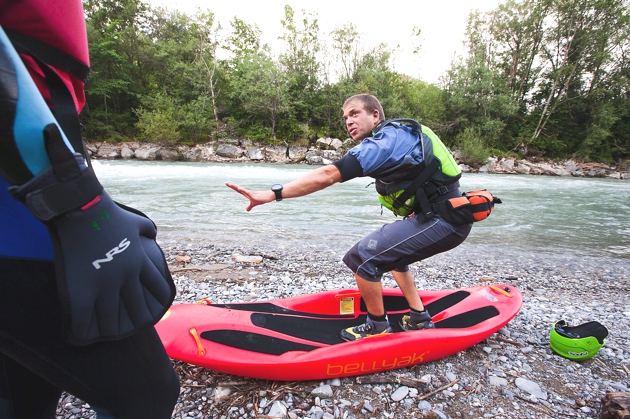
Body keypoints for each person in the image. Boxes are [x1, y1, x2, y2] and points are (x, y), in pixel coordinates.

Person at [0, 1, 179, 418]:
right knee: (145, 396)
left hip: (28, 183)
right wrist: (79, 204)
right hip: (25, 200)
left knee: (25, 385)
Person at [227, 94, 472, 341]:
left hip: (445, 221)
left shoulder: (383, 143)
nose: (348, 121)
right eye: (345, 117)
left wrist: (271, 194)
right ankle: (419, 318)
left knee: (362, 257)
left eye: (354, 113)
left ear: (375, 115)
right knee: (394, 257)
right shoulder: (399, 134)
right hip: (443, 216)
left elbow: (328, 174)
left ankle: (377, 327)